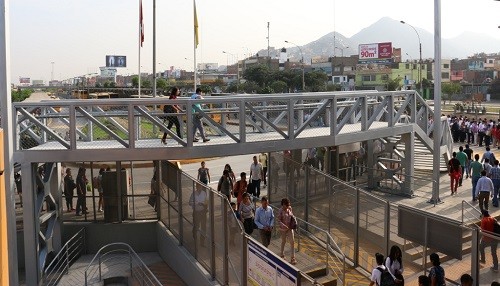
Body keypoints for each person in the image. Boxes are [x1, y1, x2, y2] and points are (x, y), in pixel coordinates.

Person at [278, 198, 296, 265]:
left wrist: (294, 222)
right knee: (284, 241)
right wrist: (283, 225)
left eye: (288, 205)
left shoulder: (290, 208)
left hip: (290, 228)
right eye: (287, 205)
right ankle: (282, 254)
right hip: (283, 229)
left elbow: (292, 216)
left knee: (292, 242)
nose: (288, 206)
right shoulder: (280, 211)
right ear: (283, 205)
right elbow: (279, 221)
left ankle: (292, 257)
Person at [189, 183, 207, 247]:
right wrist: (197, 203)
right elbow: (190, 202)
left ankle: (202, 242)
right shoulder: (193, 194)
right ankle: (195, 237)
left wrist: (204, 205)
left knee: (203, 227)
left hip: (203, 212)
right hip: (196, 212)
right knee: (196, 226)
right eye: (198, 187)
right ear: (196, 187)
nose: (199, 188)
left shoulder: (204, 193)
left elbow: (206, 201)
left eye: (200, 187)